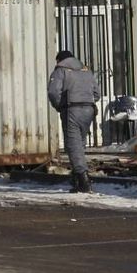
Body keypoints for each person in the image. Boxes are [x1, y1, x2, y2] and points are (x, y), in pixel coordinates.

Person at [47, 50, 100, 193]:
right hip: (89, 109)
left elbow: (53, 92)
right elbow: (97, 93)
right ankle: (77, 179)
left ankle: (84, 181)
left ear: (59, 60)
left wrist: (59, 106)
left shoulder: (61, 70)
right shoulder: (86, 70)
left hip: (72, 109)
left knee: (73, 144)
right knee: (79, 144)